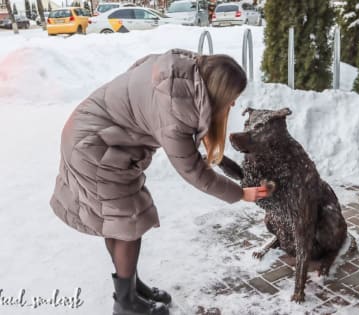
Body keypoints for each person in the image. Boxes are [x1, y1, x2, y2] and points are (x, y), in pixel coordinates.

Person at [49, 48, 269, 315]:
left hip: (94, 135)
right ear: (217, 92)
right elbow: (194, 172)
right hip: (94, 148)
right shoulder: (175, 110)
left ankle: (130, 287)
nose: (233, 104)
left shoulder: (182, 72)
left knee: (119, 221)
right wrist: (240, 194)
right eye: (231, 98)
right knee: (129, 222)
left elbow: (137, 69)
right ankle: (126, 305)